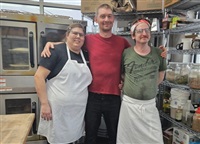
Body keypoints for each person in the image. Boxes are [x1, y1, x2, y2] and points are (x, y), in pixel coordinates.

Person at [41, 4, 167, 144]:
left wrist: (158, 52)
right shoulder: (88, 40)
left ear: (113, 19)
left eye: (109, 16)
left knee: (115, 135)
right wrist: (51, 44)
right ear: (96, 19)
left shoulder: (122, 43)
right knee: (90, 136)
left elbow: (137, 55)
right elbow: (72, 42)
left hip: (113, 97)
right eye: (102, 16)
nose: (106, 19)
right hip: (92, 97)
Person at [34, 23, 92, 144]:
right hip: (57, 112)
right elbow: (39, 77)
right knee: (57, 140)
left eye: (81, 34)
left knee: (74, 139)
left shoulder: (85, 55)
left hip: (77, 113)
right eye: (74, 33)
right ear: (67, 35)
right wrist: (44, 104)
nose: (78, 36)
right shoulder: (55, 51)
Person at [117, 17, 166, 144]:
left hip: (149, 107)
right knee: (127, 140)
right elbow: (122, 73)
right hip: (129, 106)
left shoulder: (159, 53)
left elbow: (161, 73)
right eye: (139, 31)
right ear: (133, 36)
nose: (144, 34)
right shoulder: (126, 53)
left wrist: (149, 86)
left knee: (154, 140)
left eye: (146, 30)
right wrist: (129, 84)